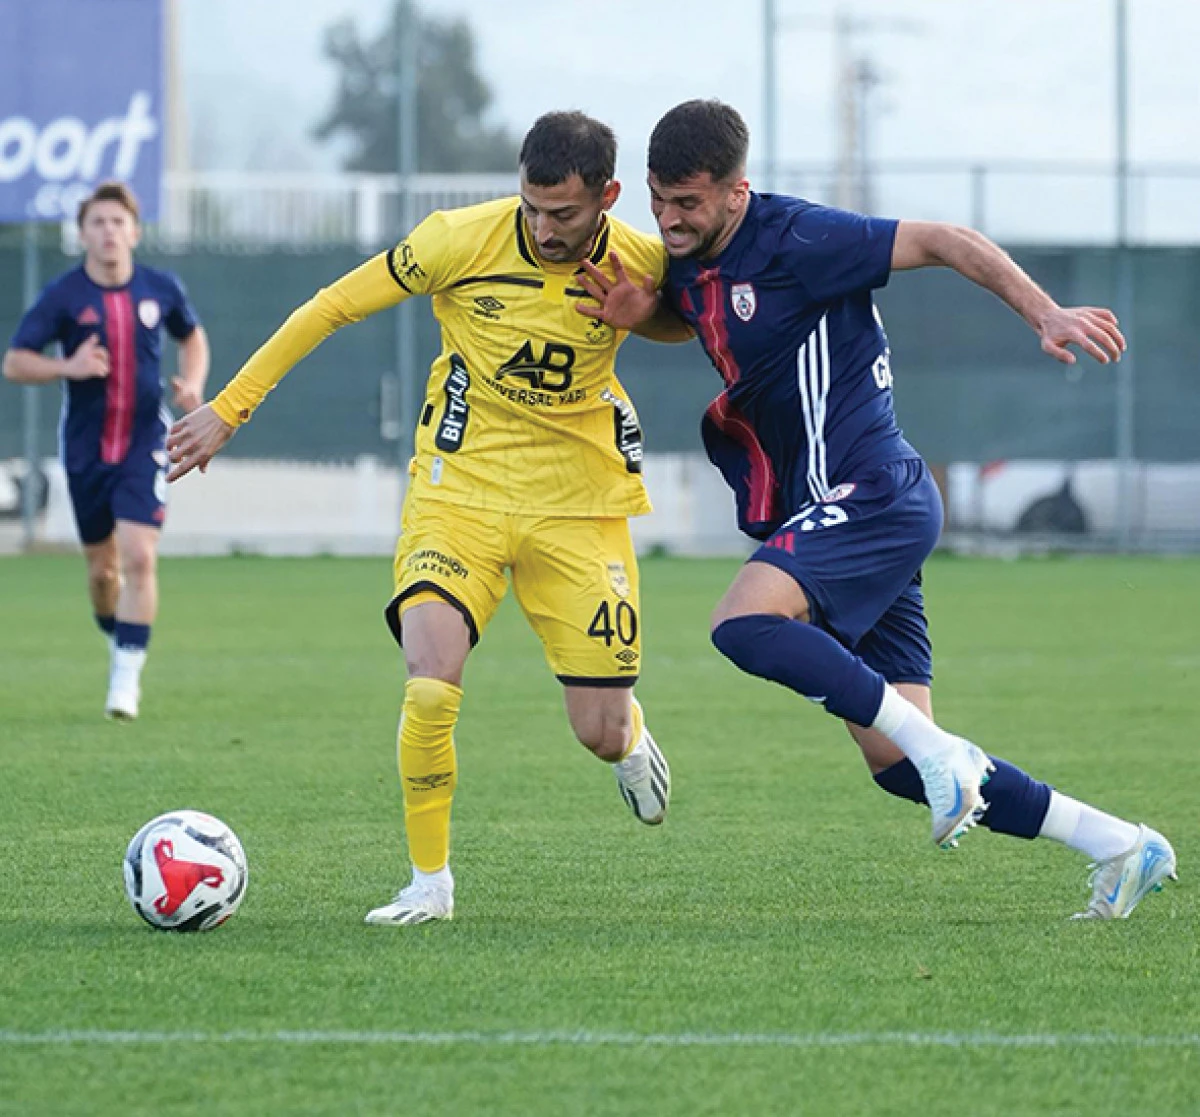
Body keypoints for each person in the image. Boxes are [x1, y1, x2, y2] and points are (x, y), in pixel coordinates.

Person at [576, 99, 1176, 920]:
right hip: (844, 508)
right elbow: (695, 313)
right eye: (658, 200)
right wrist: (640, 315)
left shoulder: (799, 237)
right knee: (896, 763)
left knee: (742, 624)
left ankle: (944, 756)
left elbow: (945, 240)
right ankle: (1122, 844)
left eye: (688, 202)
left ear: (737, 191)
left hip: (872, 492)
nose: (669, 219)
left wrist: (1046, 312)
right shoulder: (690, 258)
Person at [166, 112, 676, 927]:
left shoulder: (643, 260)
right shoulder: (456, 240)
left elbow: (693, 322)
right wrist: (230, 408)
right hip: (457, 488)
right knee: (430, 682)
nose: (543, 228)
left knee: (599, 730)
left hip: (578, 505)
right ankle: (429, 882)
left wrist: (644, 314)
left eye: (564, 214)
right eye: (531, 207)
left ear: (608, 197)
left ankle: (629, 736)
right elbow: (332, 306)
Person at [3, 181, 210, 721]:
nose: (108, 232)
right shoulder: (64, 296)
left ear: (135, 232)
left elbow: (192, 337)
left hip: (145, 442)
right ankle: (119, 639)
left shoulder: (161, 288)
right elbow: (16, 361)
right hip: (86, 449)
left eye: (118, 222)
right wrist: (66, 367)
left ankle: (126, 678)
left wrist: (192, 386)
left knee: (140, 556)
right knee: (102, 574)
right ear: (83, 234)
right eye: (97, 222)